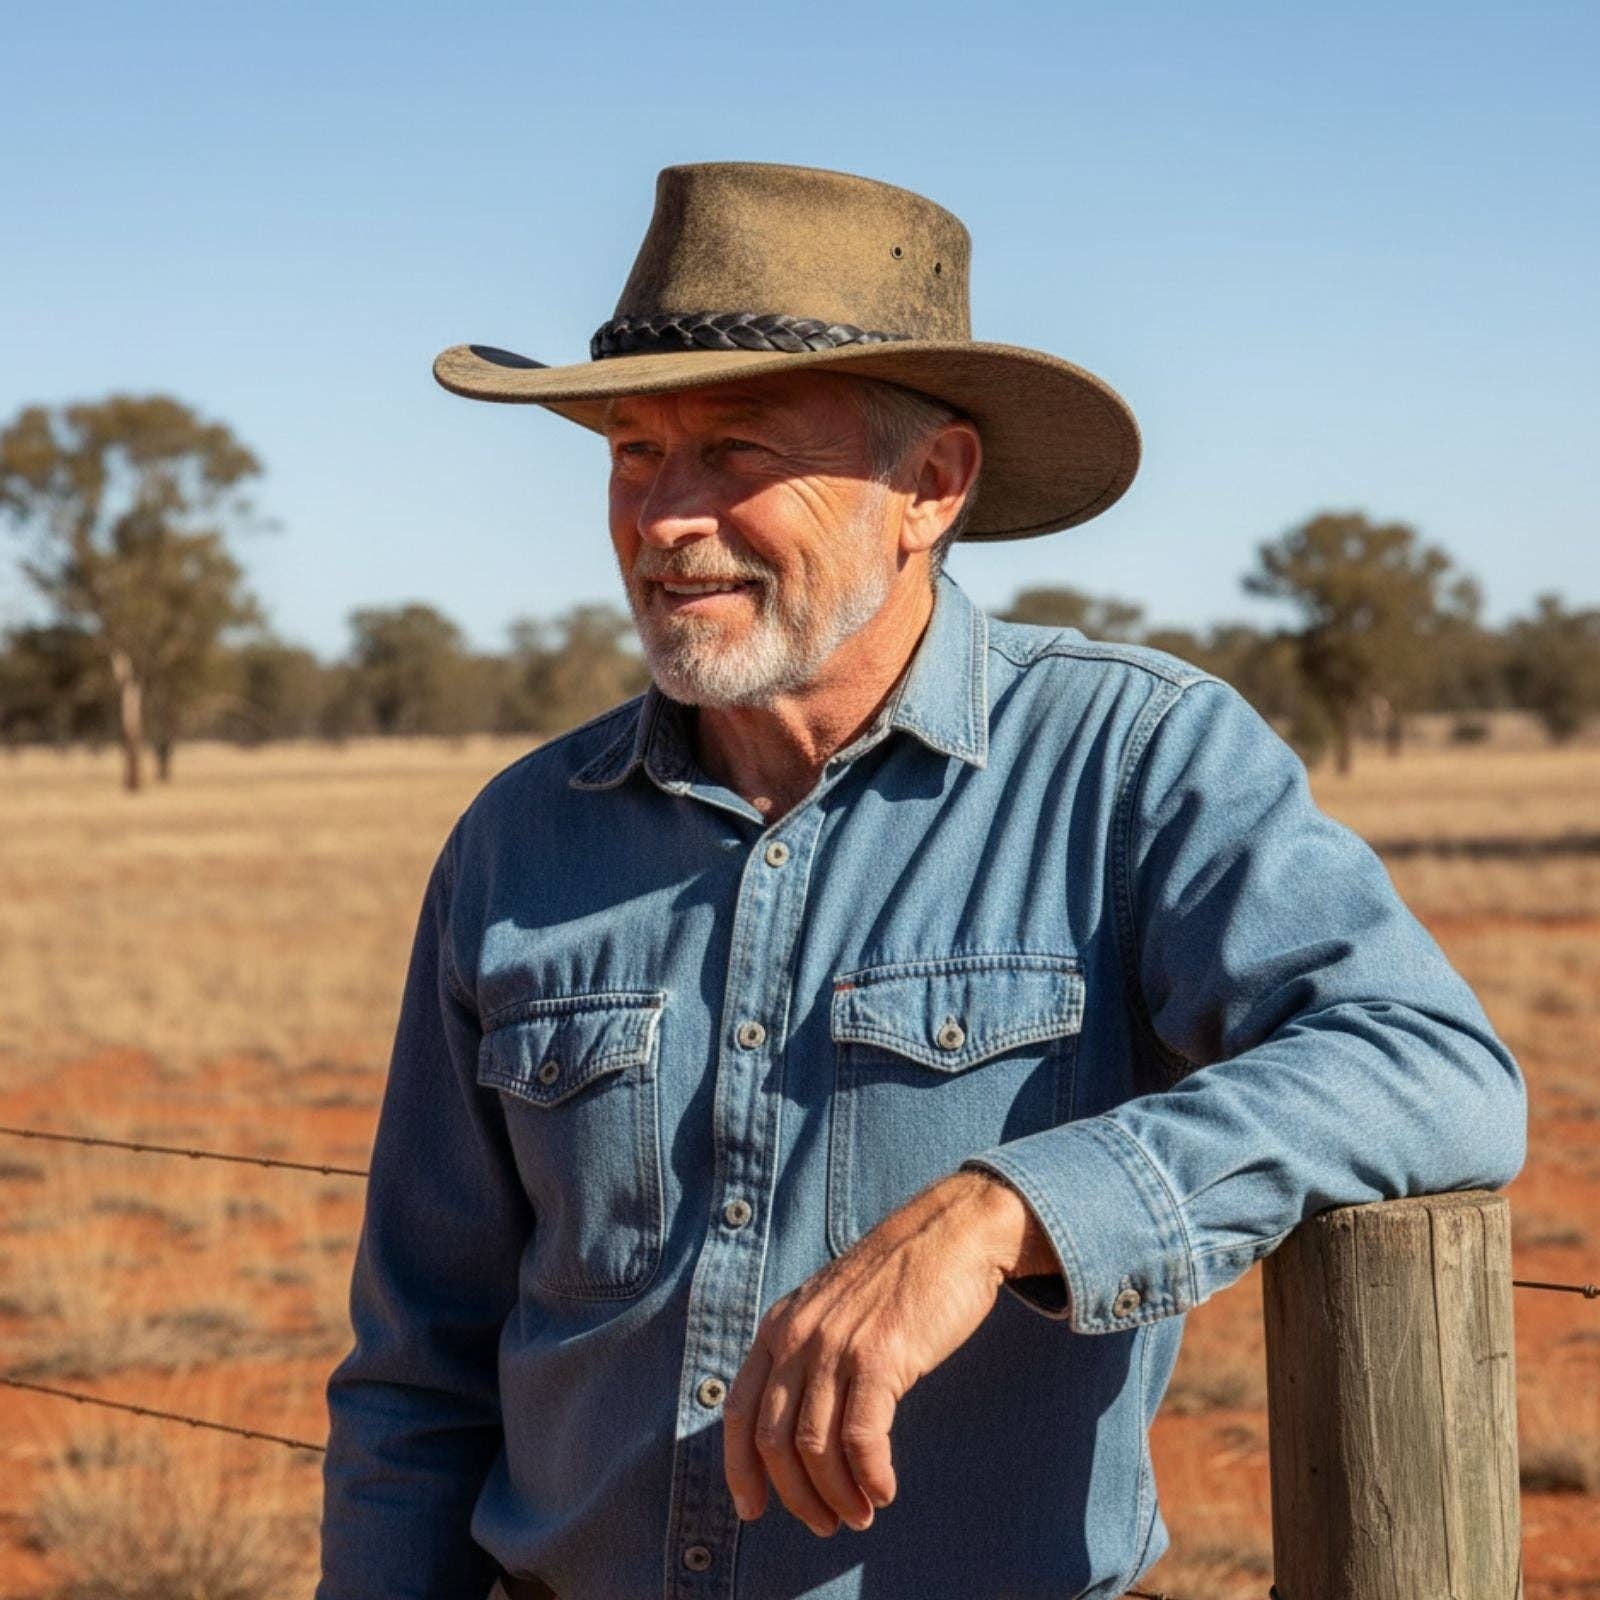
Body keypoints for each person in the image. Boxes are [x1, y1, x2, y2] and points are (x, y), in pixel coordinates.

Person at [316, 161, 1526, 1600]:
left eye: (739, 451)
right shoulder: (522, 842)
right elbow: (419, 1375)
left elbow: (1430, 1065)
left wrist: (1004, 1212)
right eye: (635, 453)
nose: (662, 518)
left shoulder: (1130, 762)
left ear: (930, 487)